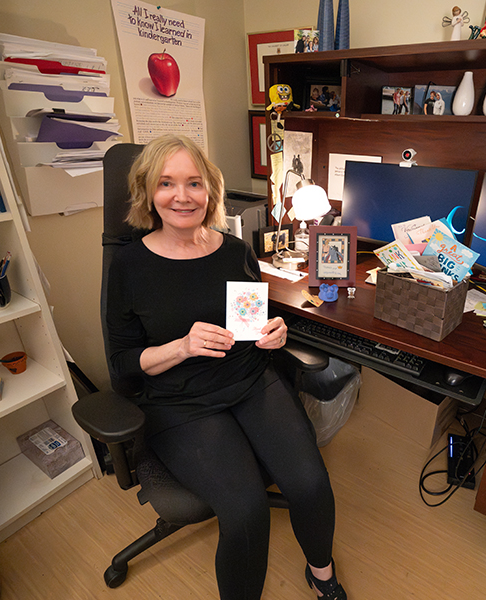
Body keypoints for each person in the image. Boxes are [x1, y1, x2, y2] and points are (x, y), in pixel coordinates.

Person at [106, 135, 346, 600]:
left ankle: (321, 573)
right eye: (167, 183)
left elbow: (252, 325)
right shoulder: (129, 265)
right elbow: (121, 367)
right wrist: (181, 346)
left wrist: (273, 335)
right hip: (181, 403)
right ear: (148, 193)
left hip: (250, 380)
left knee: (311, 482)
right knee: (246, 510)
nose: (182, 196)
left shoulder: (234, 249)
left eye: (194, 183)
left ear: (210, 190)